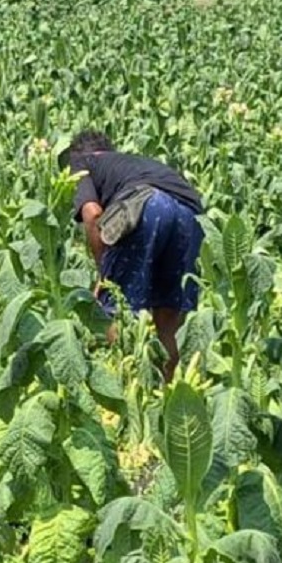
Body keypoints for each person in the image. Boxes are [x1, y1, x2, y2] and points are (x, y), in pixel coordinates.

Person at [59, 130, 206, 381]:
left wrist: (104, 274)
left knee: (117, 308)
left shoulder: (80, 164)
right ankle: (165, 392)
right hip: (191, 216)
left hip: (146, 206)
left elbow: (93, 214)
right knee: (169, 312)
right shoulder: (133, 162)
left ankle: (123, 393)